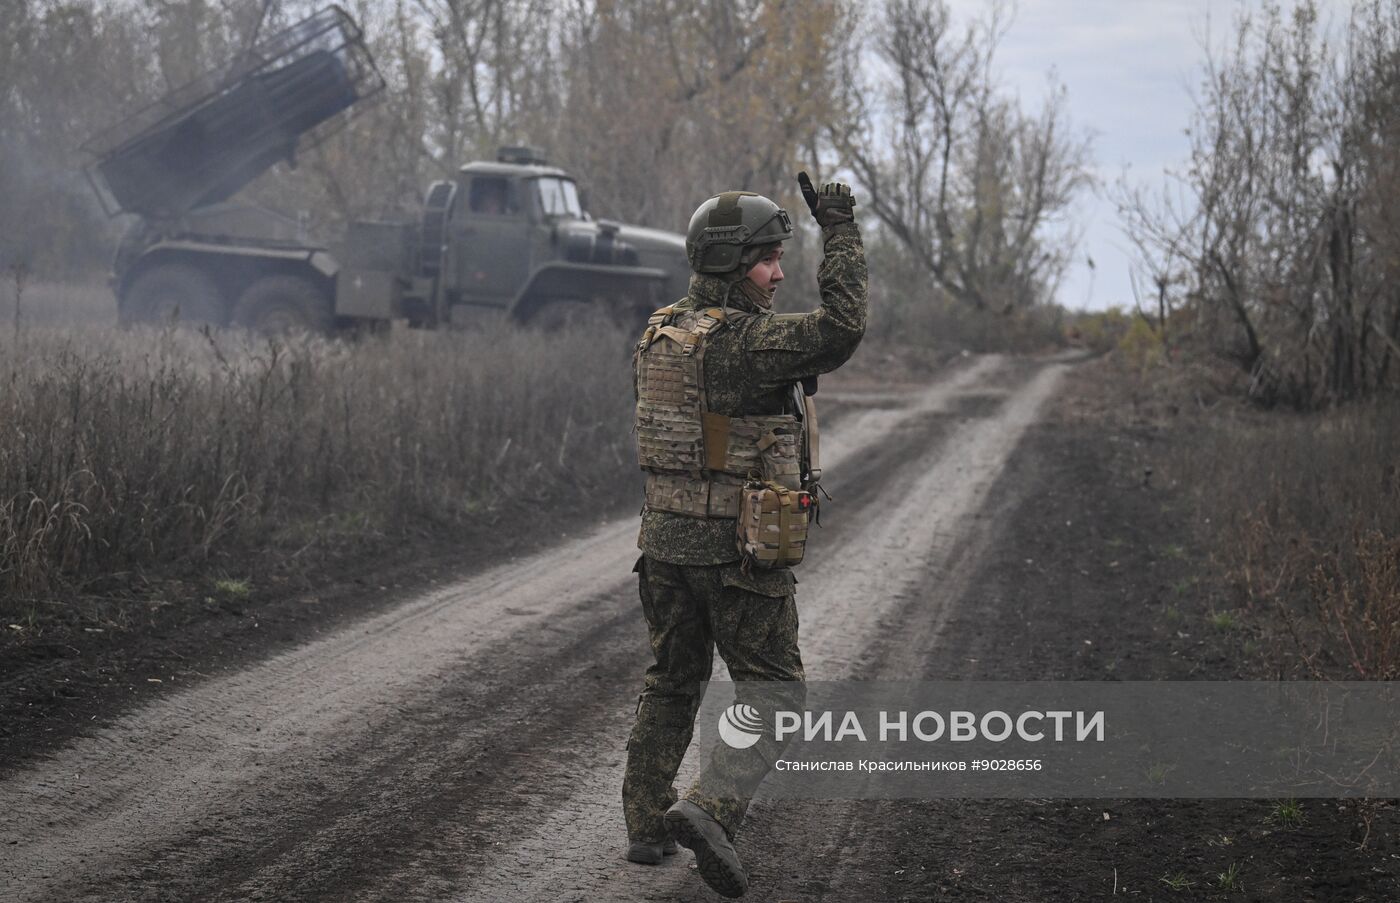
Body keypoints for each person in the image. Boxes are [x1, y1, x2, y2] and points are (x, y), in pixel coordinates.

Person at [622, 174, 866, 898]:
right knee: (778, 694)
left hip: (664, 547)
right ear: (732, 265)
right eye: (767, 259)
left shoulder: (659, 331)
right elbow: (842, 328)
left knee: (671, 680)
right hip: (738, 553)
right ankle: (709, 807)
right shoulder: (751, 343)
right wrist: (841, 232)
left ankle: (644, 824)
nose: (780, 271)